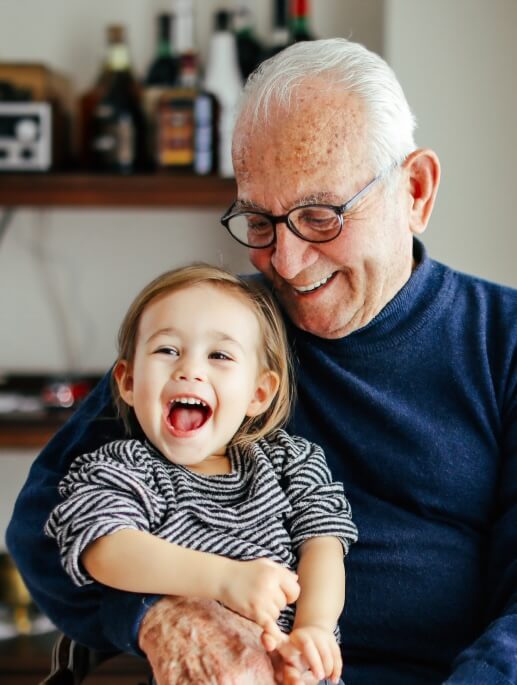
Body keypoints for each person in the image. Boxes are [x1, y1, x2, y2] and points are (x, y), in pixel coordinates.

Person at [6, 36, 517, 685]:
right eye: (259, 220)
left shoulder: (503, 341)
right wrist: (157, 611)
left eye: (320, 215)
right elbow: (46, 521)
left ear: (414, 190)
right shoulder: (214, 336)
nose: (286, 261)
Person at [44, 263, 358, 684]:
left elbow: (324, 544)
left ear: (259, 392)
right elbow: (104, 548)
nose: (189, 370)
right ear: (129, 381)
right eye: (167, 350)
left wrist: (314, 628)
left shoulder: (291, 462)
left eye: (219, 355)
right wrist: (225, 579)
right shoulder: (122, 468)